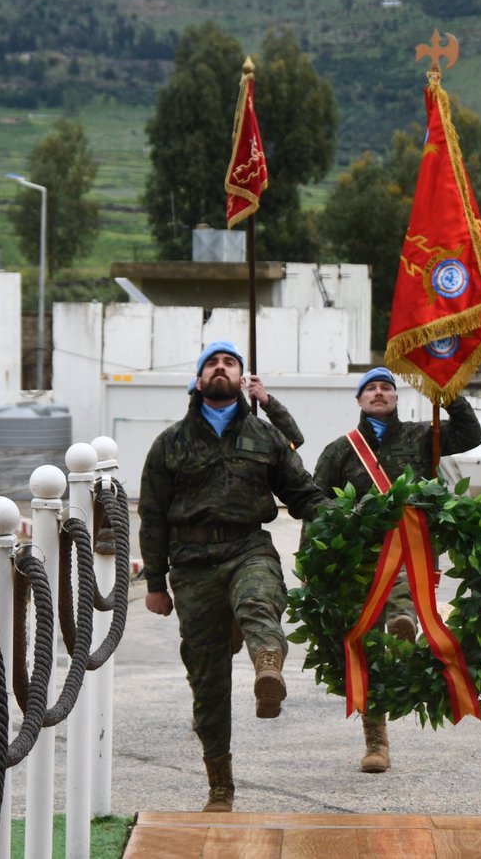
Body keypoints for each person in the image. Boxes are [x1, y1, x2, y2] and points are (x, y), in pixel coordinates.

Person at [139, 340, 327, 813]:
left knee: (260, 600)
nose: (220, 368)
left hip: (248, 545)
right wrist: (155, 584)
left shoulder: (265, 437)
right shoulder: (170, 443)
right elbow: (153, 516)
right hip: (192, 562)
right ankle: (220, 785)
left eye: (229, 363)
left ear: (242, 379)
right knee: (207, 676)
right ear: (199, 380)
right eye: (211, 363)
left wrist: (350, 517)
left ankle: (268, 666)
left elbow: (303, 494)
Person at [311, 365, 481, 773]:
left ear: (396, 398)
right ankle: (376, 741)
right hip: (358, 559)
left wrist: (449, 396)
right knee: (365, 648)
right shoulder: (340, 450)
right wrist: (313, 562)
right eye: (370, 388)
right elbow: (315, 507)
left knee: (404, 591)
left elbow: (473, 435)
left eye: (386, 387)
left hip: (411, 550)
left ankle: (404, 620)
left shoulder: (424, 436)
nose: (378, 393)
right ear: (359, 400)